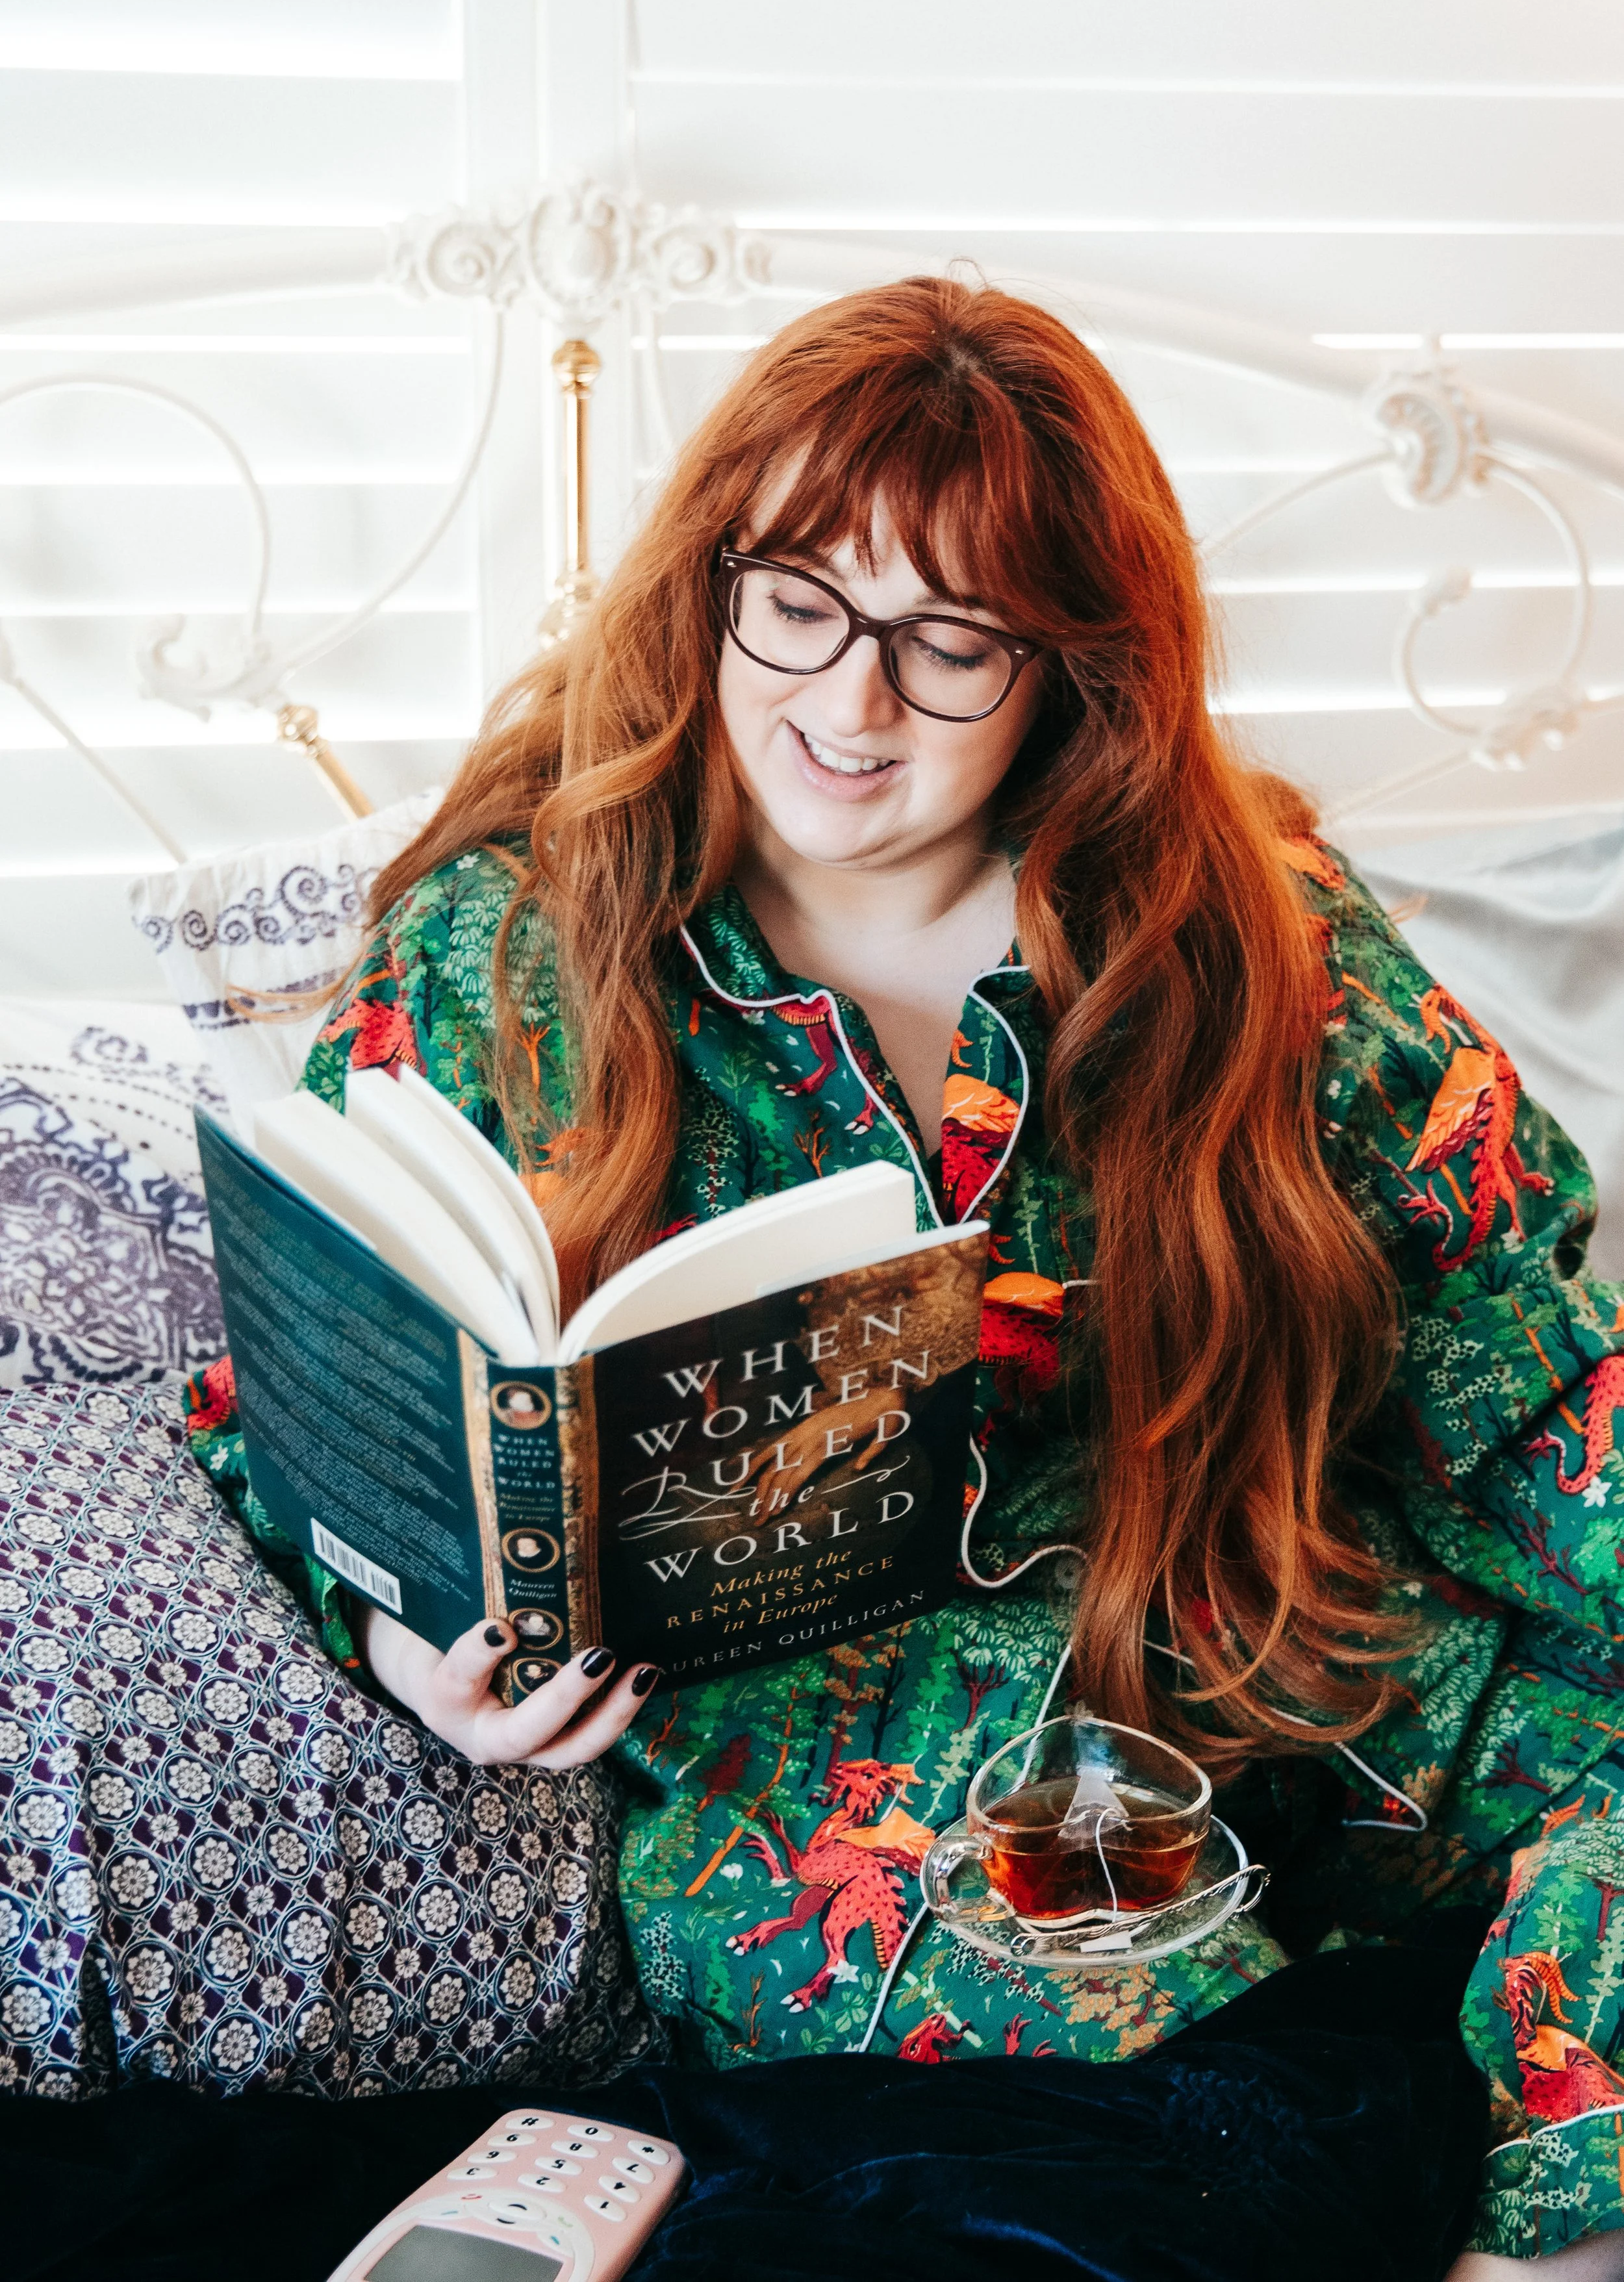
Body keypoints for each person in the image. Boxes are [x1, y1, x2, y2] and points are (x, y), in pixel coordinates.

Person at [190, 279, 1623, 2268]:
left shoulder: (1254, 935)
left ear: (1069, 668)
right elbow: (307, 1401)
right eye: (798, 601)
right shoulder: (503, 946)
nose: (847, 704)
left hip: (1316, 1690)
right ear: (709, 583)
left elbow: (1540, 1369)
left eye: (949, 642)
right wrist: (417, 1650)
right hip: (889, 1849)